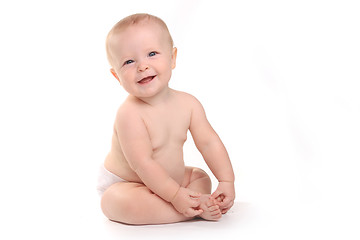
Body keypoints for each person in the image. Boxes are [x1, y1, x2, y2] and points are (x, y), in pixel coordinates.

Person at [98, 13, 235, 225]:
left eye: (152, 53)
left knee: (199, 177)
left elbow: (209, 143)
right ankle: (191, 209)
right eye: (129, 61)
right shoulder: (129, 114)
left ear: (173, 58)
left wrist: (226, 180)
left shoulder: (188, 104)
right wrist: (175, 196)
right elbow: (143, 164)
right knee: (115, 202)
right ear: (117, 76)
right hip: (131, 184)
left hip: (172, 180)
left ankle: (190, 203)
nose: (142, 66)